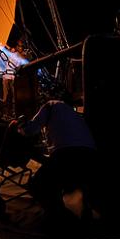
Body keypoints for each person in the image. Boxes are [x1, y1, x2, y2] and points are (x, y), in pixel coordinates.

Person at [13, 96, 99, 224]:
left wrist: (19, 125)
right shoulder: (72, 112)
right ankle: (83, 212)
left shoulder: (49, 105)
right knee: (66, 180)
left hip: (67, 154)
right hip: (90, 155)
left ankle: (62, 219)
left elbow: (30, 130)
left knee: (37, 185)